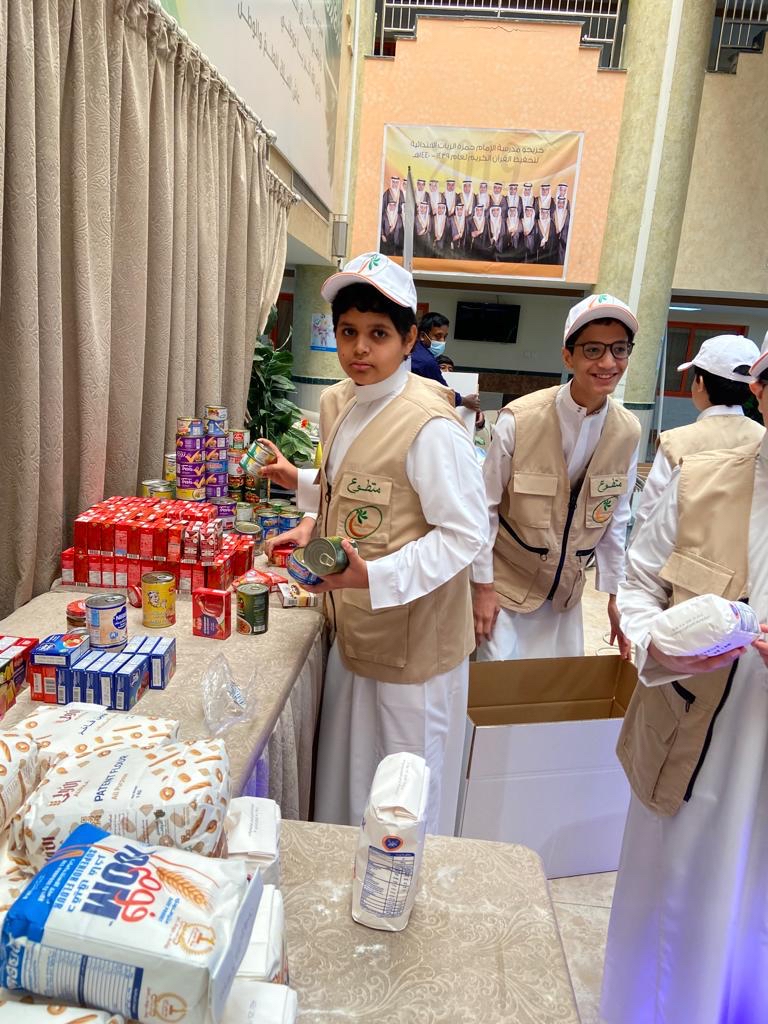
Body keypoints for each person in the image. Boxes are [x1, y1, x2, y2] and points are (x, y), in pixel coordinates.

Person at [258, 252, 488, 835]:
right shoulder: (341, 403)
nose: (360, 348)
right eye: (348, 332)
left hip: (412, 653)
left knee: (400, 802)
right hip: (356, 634)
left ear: (409, 339)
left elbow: (465, 533)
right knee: (348, 785)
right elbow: (357, 487)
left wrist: (373, 577)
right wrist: (298, 484)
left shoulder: (430, 427)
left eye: (379, 334)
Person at [599, 339, 768, 1024]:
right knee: (674, 913)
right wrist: (658, 642)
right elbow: (639, 585)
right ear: (760, 392)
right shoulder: (703, 479)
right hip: (690, 738)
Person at [472, 294, 641, 661]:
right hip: (506, 590)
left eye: (619, 349)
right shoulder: (520, 419)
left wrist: (616, 596)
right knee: (497, 688)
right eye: (593, 350)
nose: (608, 362)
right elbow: (484, 509)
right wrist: (482, 586)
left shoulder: (627, 431)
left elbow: (616, 517)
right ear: (568, 356)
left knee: (554, 688)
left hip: (566, 596)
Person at [632, 333, 763, 537]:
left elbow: (648, 514)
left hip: (681, 552)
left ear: (700, 382)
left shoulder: (675, 442)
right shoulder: (763, 438)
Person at [412, 311, 481, 413]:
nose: (442, 341)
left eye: (445, 337)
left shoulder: (411, 349)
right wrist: (466, 401)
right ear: (422, 336)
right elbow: (444, 393)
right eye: (438, 336)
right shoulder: (427, 362)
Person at [554, 195, 570, 263]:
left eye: (562, 203)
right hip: (555, 237)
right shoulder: (554, 213)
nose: (560, 205)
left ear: (564, 204)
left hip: (564, 237)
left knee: (562, 255)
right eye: (559, 203)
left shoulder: (567, 213)